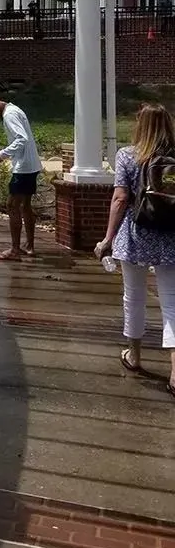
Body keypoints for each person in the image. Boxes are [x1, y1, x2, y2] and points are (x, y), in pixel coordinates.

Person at [94, 103, 175, 397]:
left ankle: (135, 355)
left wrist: (107, 239)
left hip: (136, 233)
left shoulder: (128, 155)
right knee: (173, 303)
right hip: (171, 236)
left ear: (140, 125)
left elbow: (119, 199)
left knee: (134, 297)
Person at [0, 95, 42, 260]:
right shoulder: (15, 109)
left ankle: (14, 250)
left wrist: (1, 154)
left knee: (12, 205)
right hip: (31, 164)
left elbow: (22, 139)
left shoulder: (9, 115)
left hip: (23, 167)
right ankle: (29, 246)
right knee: (25, 205)